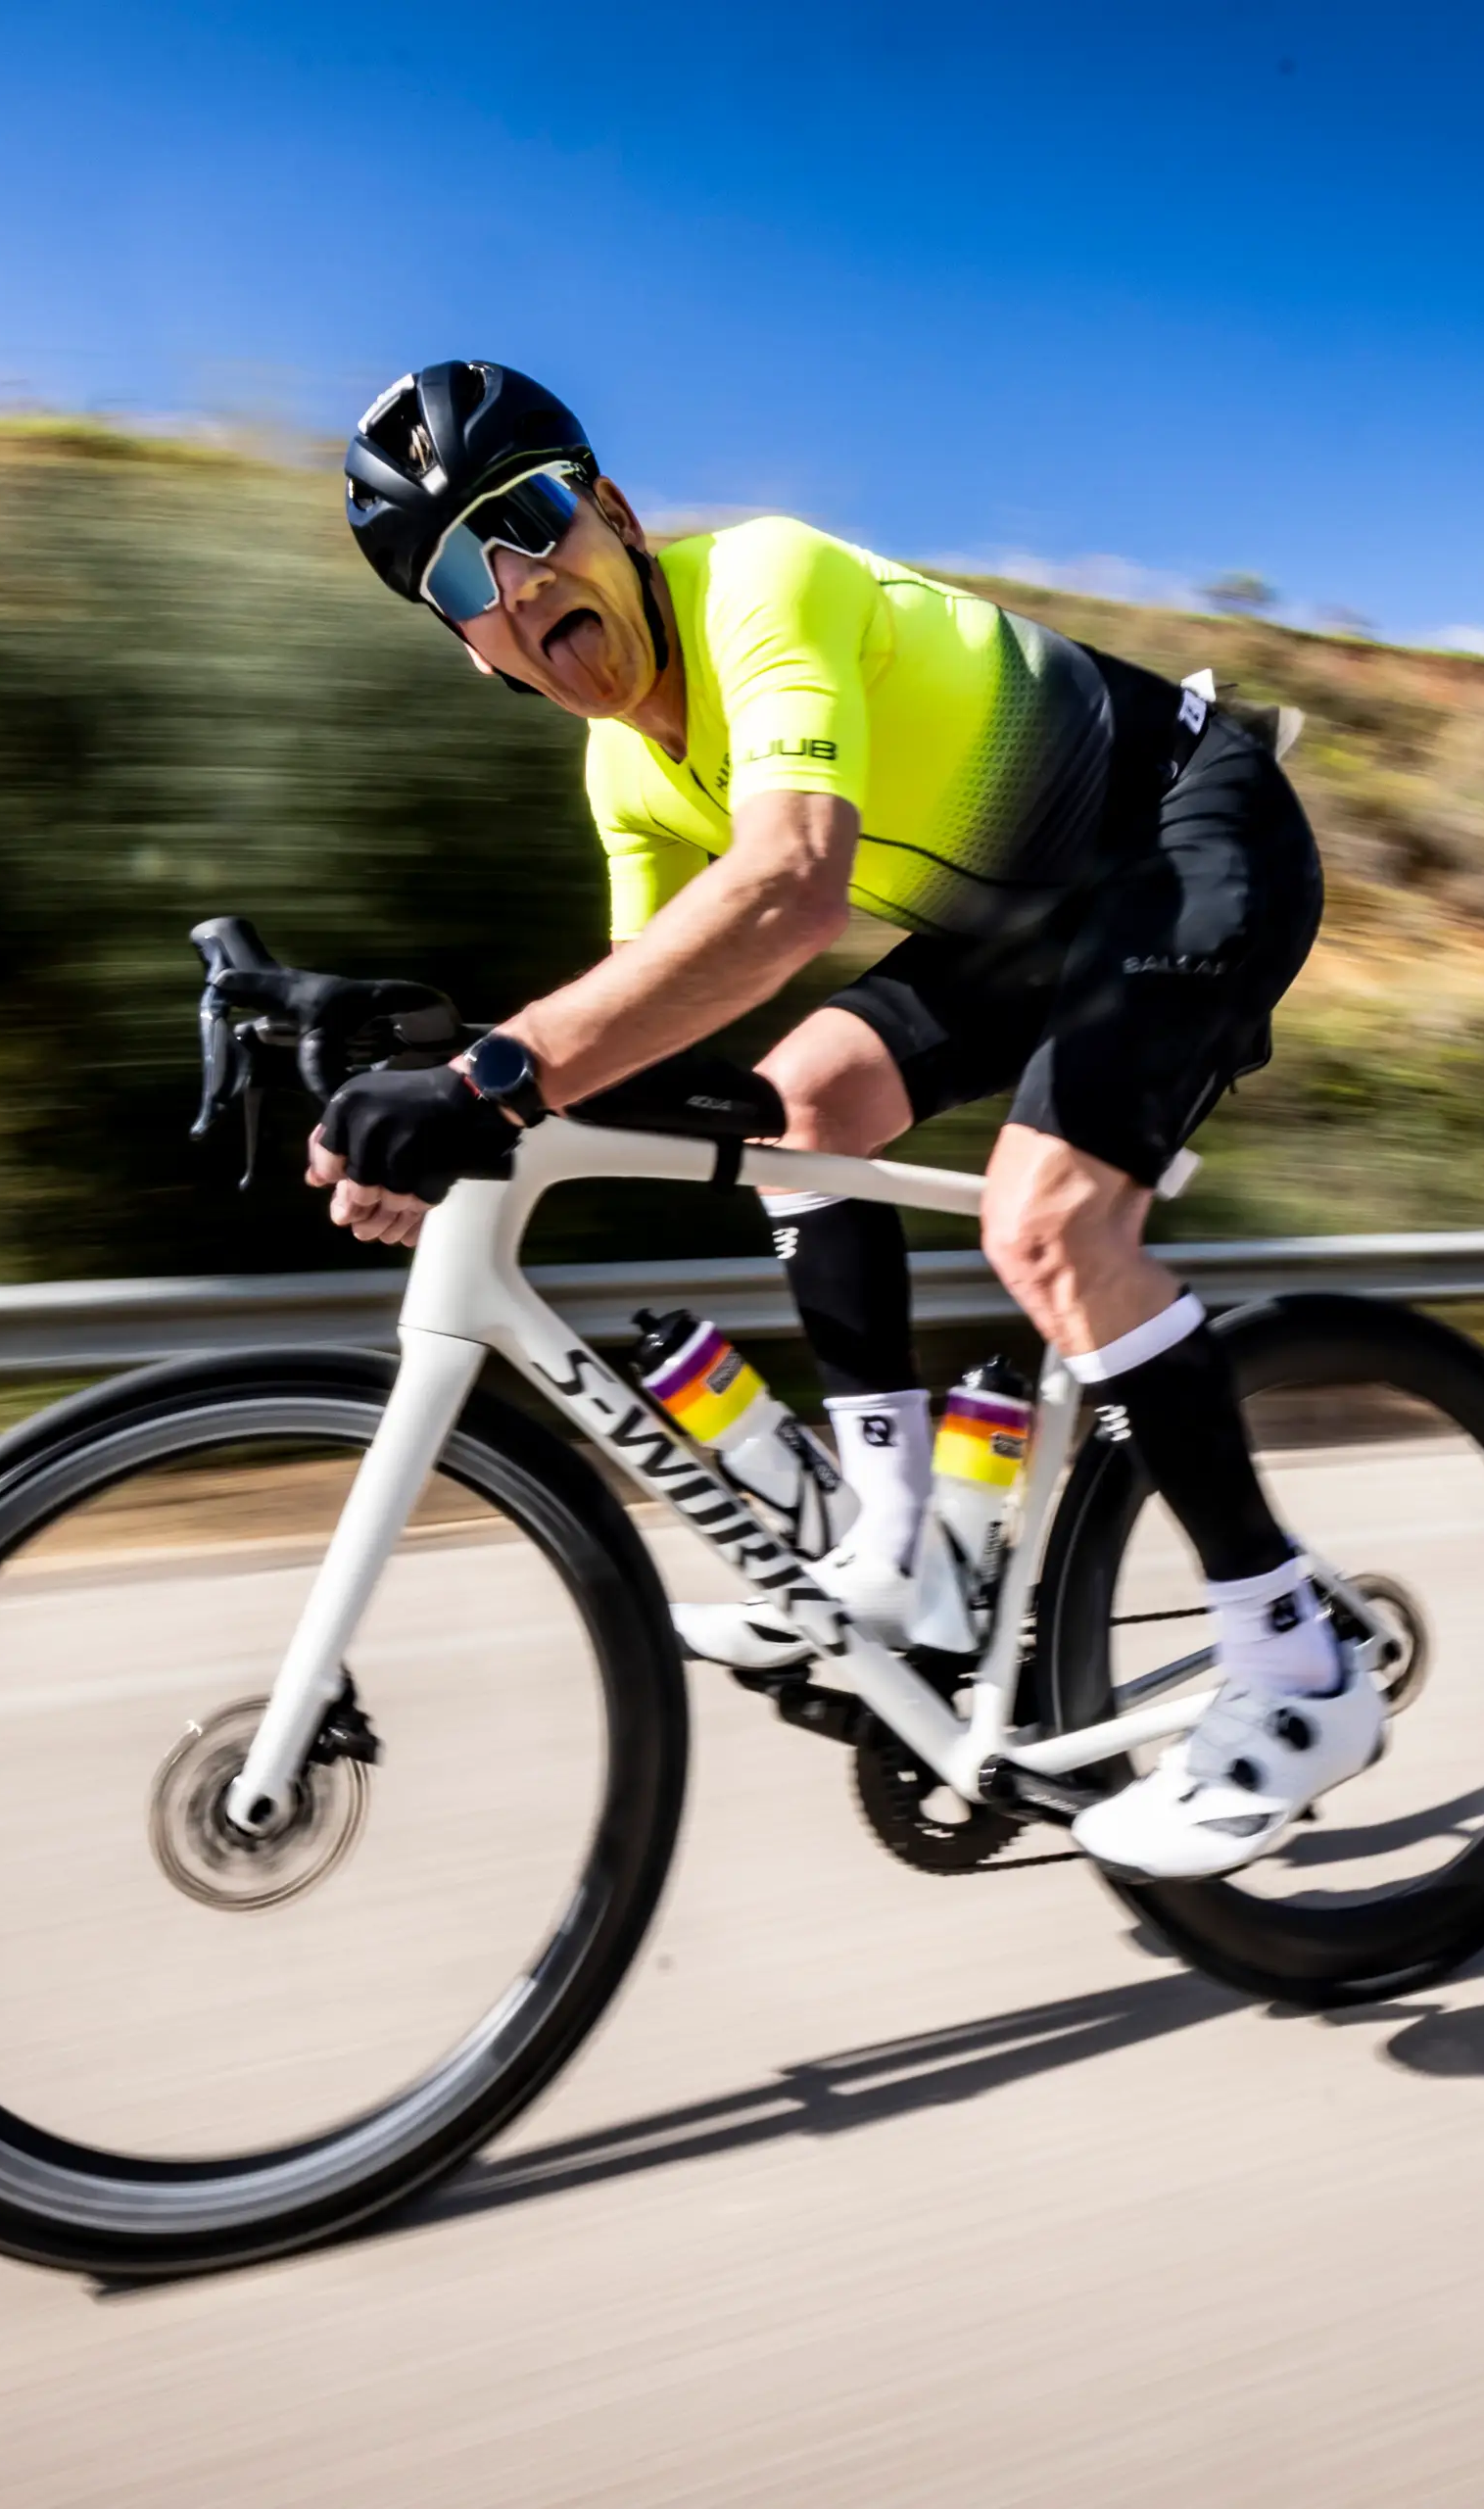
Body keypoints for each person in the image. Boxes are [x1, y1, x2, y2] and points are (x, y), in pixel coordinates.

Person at [308, 360, 1377, 1880]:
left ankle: (1295, 1663)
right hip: (1032, 916)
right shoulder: (626, 772)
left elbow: (792, 887)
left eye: (535, 513)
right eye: (469, 571)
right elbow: (624, 1023)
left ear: (611, 511)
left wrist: (490, 1077)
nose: (524, 570)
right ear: (476, 650)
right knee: (806, 1099)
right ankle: (902, 1551)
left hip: (1184, 828)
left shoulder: (763, 578)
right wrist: (440, 1113)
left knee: (1048, 1222)